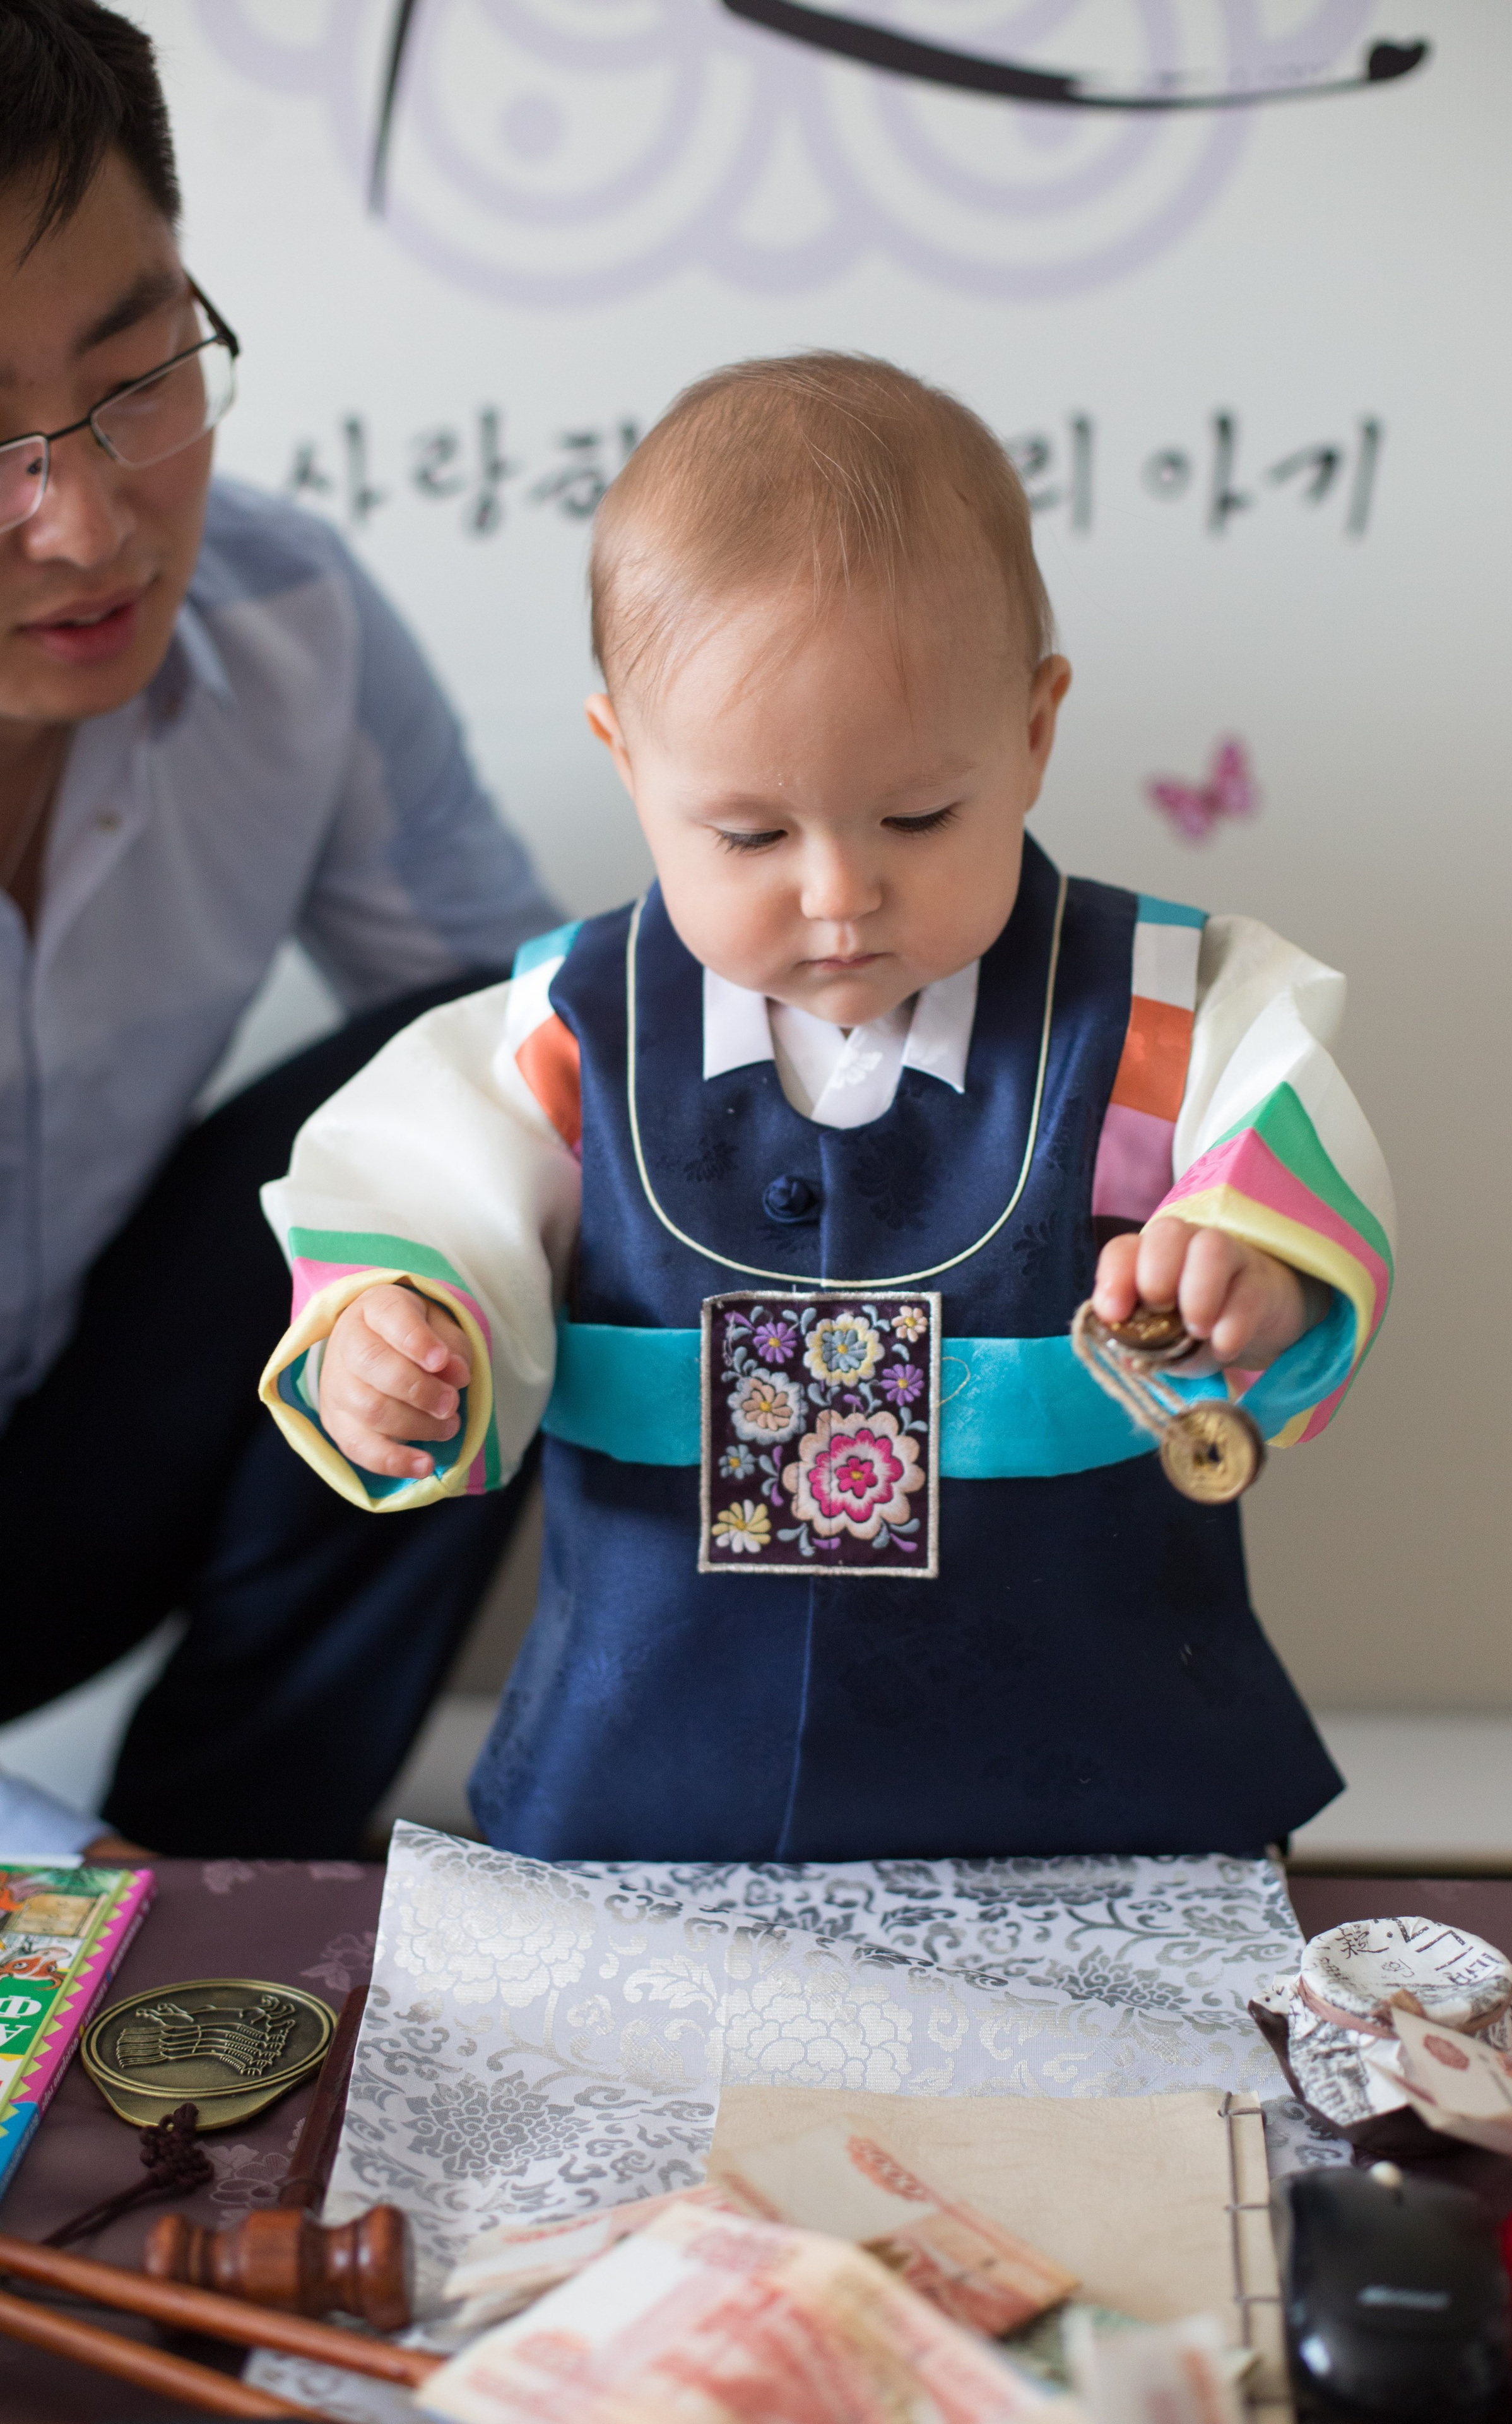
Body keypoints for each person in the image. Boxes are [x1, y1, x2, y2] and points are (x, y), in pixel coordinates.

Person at [260, 353, 1395, 1862]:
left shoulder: (1164, 1006)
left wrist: (1247, 1260)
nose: (839, 892)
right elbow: (415, 1186)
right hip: (656, 1753)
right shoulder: (565, 1029)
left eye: (917, 817)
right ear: (627, 762)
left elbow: (1284, 1122)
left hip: (1094, 1749)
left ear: (1034, 732)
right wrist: (395, 1335)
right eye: (745, 831)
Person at [0, 0, 558, 1861]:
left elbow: (554, 1051)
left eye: (138, 373)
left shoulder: (289, 619)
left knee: (503, 1097)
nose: (84, 523)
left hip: (58, 1482)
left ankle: (241, 1900)